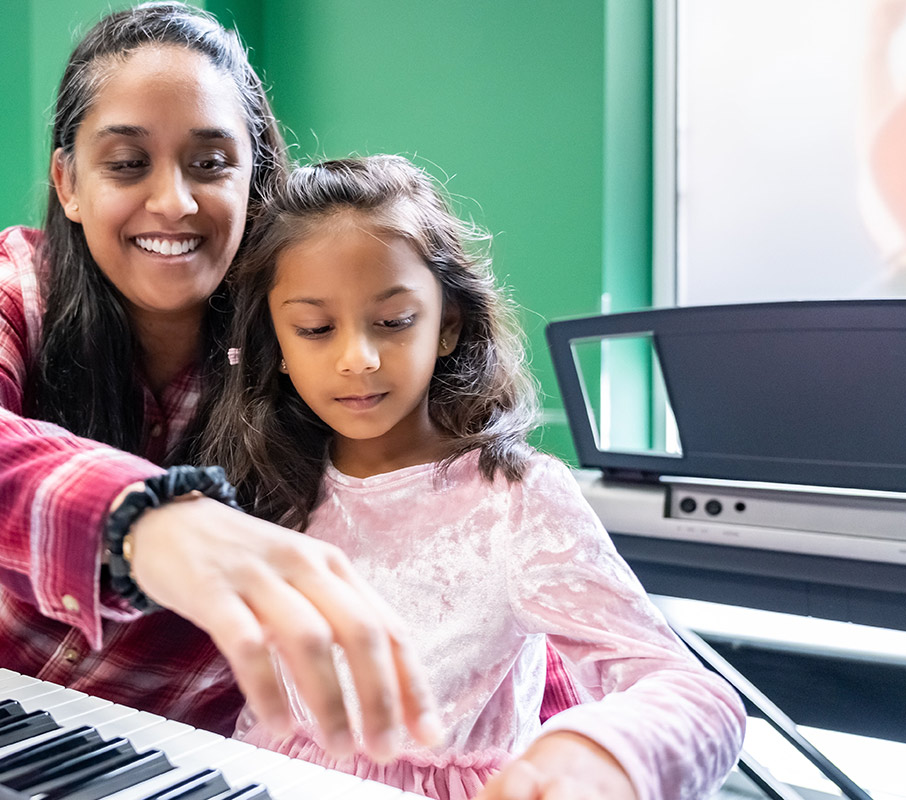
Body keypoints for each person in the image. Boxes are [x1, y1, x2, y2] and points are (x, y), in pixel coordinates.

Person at [0, 2, 442, 762]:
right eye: (128, 164)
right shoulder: (23, 277)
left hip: (149, 754)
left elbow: (485, 559)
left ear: (256, 178)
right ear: (68, 181)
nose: (174, 202)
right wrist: (139, 519)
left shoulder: (316, 338)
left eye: (210, 163)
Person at [203, 155, 746, 800]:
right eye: (316, 329)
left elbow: (691, 689)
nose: (358, 358)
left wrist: (602, 757)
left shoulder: (515, 501)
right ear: (279, 347)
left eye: (395, 321)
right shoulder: (269, 484)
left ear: (447, 327)